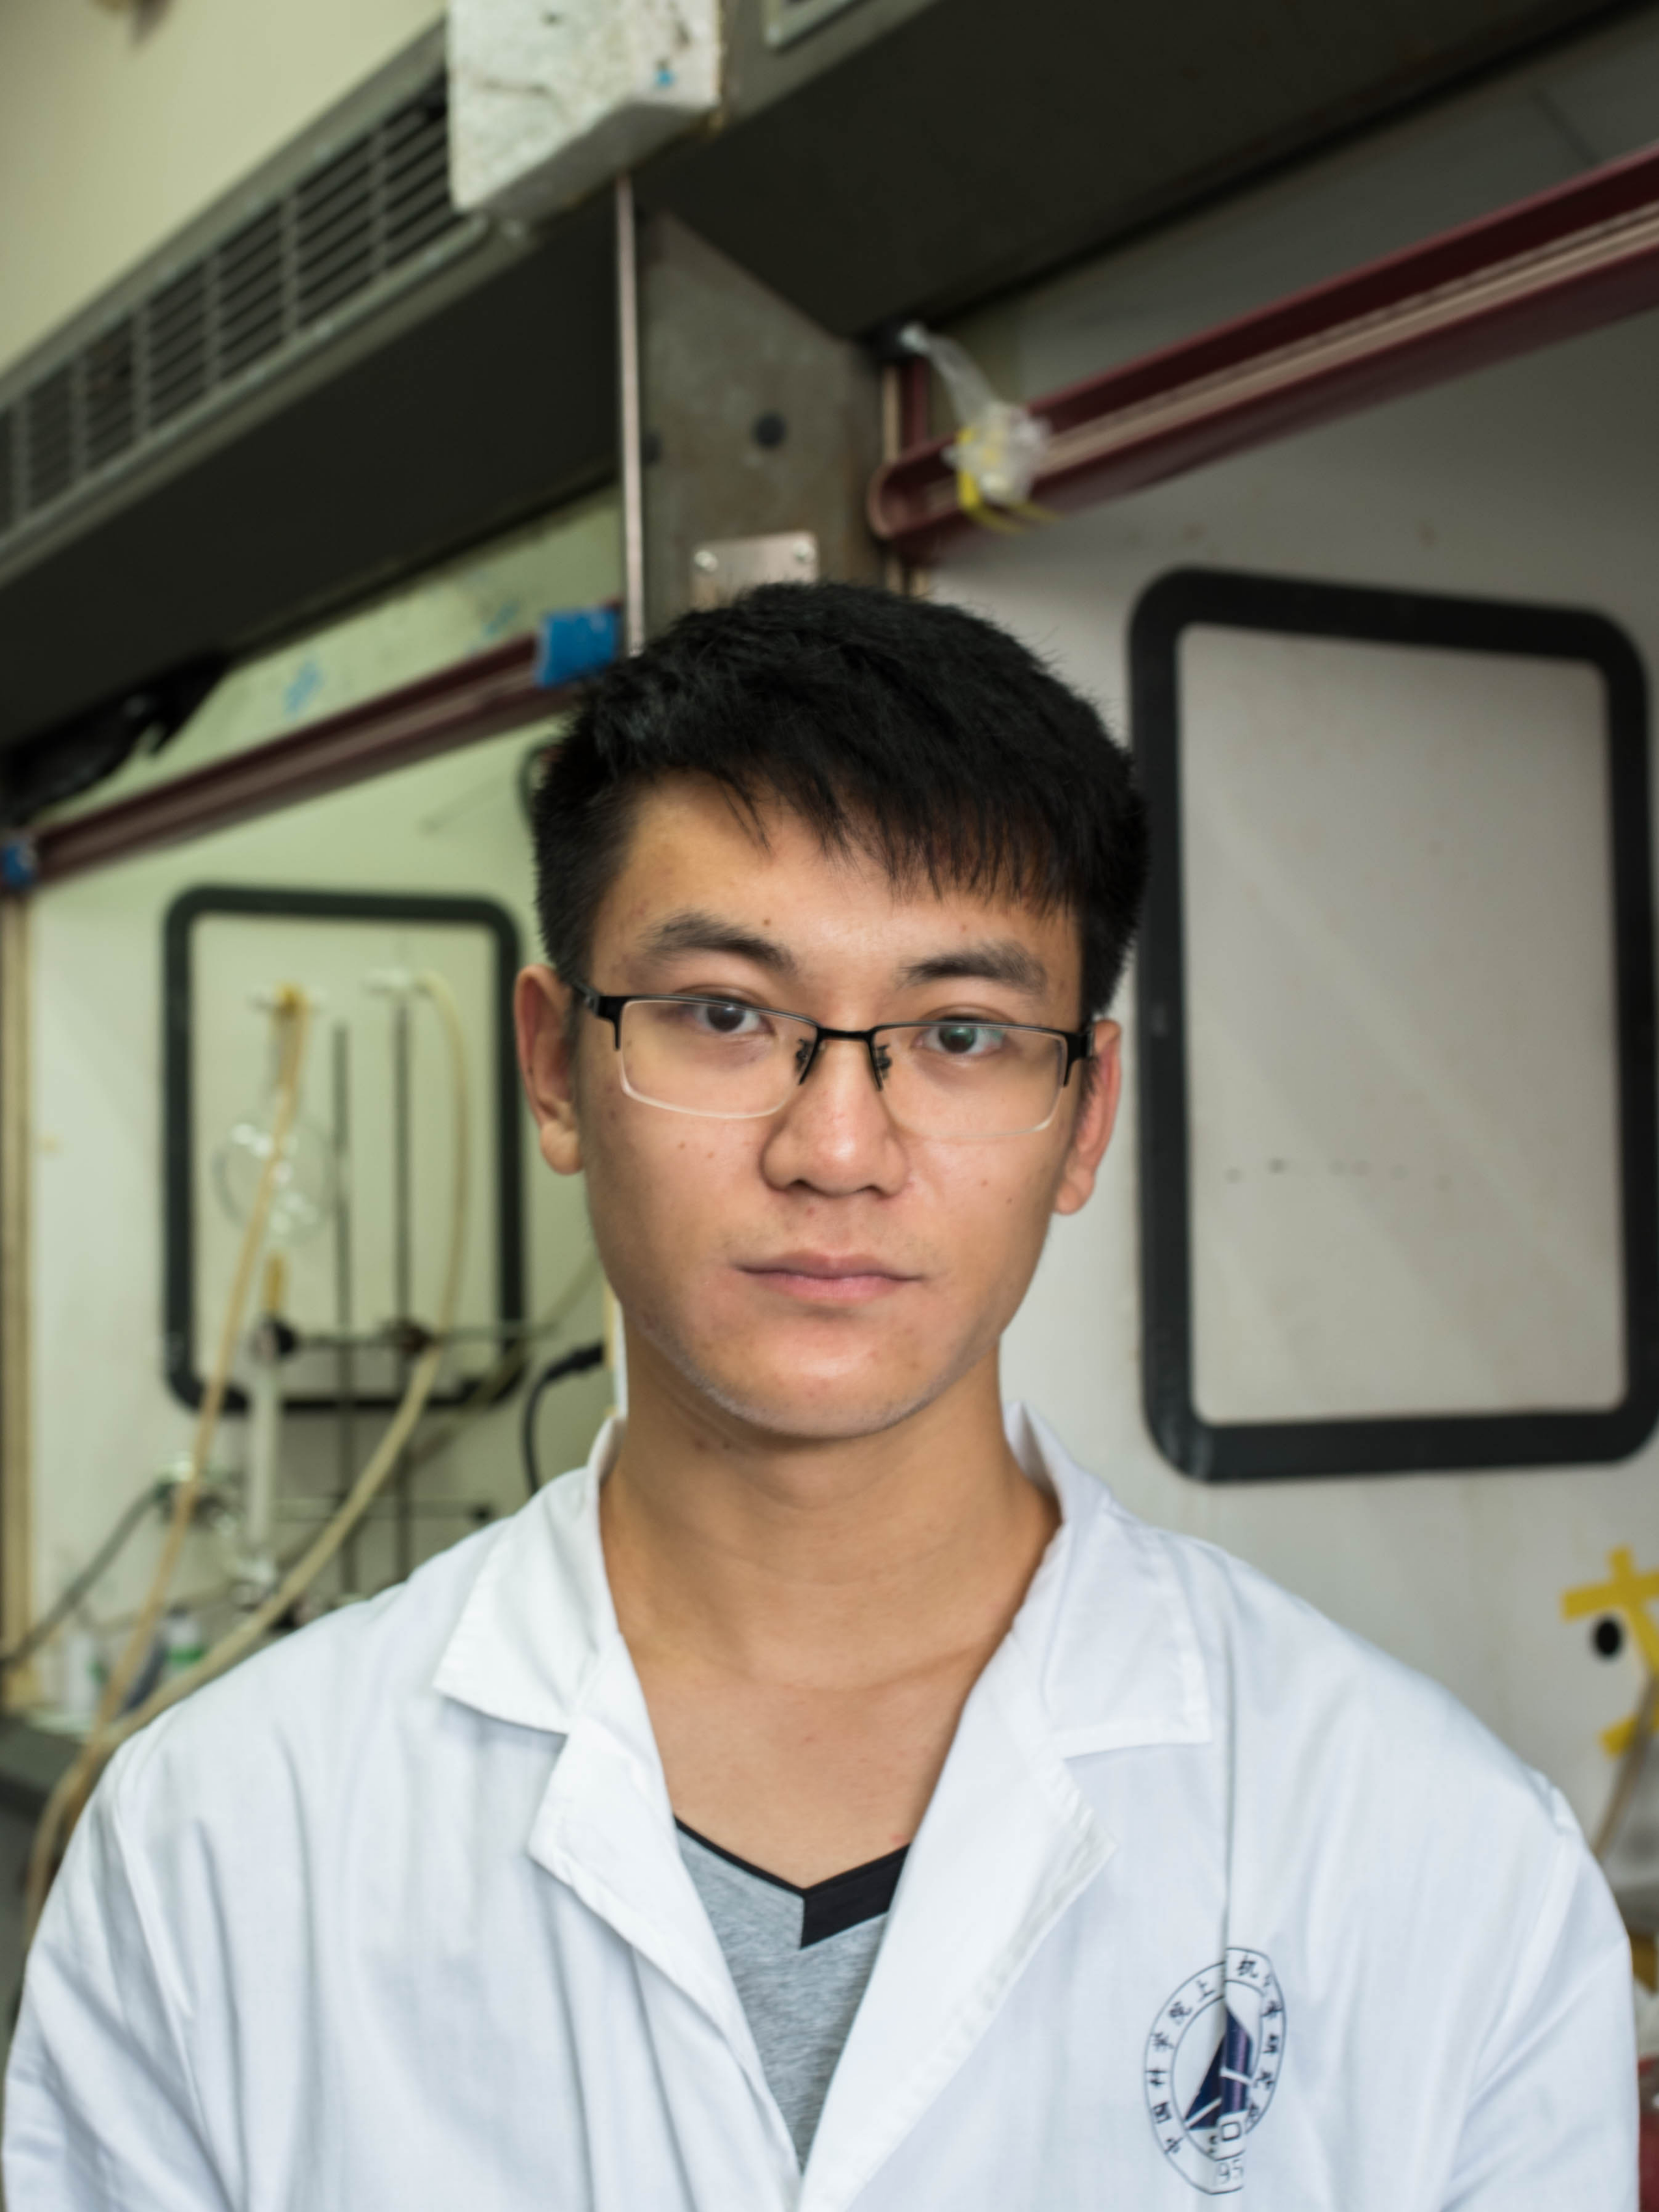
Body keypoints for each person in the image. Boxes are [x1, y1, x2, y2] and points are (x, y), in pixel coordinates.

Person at [5, 582, 1634, 2209]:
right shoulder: (220, 1846)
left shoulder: (1435, 1858)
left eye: (961, 1032)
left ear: (1083, 1118)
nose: (836, 1147)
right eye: (724, 1013)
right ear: (557, 1066)